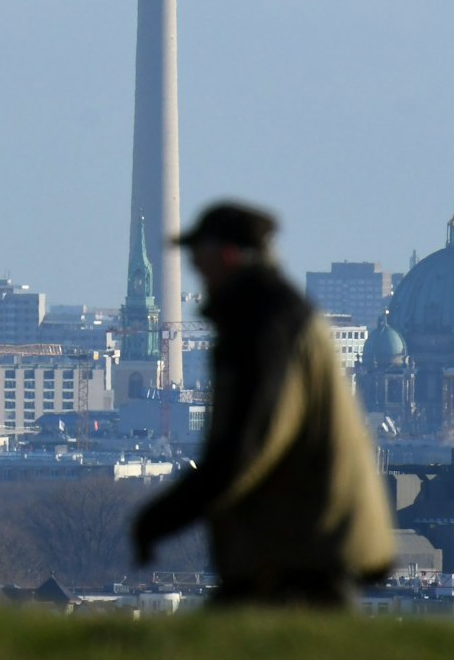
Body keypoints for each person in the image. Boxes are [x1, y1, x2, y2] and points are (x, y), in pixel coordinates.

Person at [131, 201, 394, 608]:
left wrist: (160, 519)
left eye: (199, 255)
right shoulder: (269, 316)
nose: (193, 266)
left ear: (228, 256)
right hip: (302, 537)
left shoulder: (265, 327)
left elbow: (248, 445)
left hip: (304, 544)